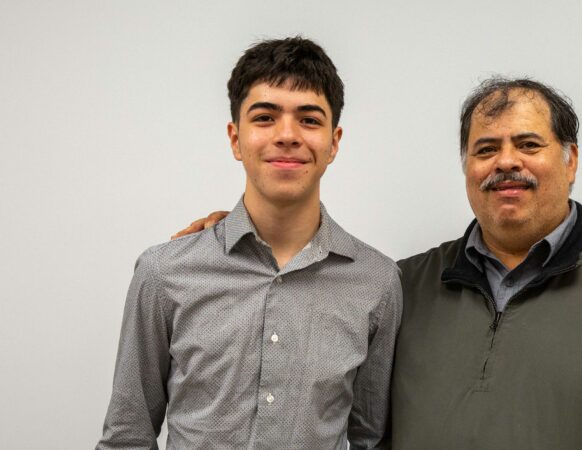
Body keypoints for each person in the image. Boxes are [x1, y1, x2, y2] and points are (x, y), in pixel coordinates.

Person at [176, 78, 582, 449]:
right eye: (486, 149)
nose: (505, 163)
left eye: (529, 145)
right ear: (466, 167)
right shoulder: (397, 288)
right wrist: (235, 242)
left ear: (572, 160)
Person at [98, 37, 401, 450]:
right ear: (236, 139)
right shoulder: (164, 273)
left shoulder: (377, 283)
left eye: (310, 120)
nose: (287, 135)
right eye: (264, 117)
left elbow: (372, 439)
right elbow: (127, 437)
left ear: (334, 142)